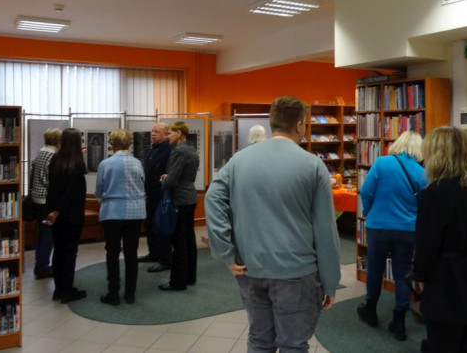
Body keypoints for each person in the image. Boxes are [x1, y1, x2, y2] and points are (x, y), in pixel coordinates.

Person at [205, 96, 341, 352]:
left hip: (250, 268)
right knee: (293, 344)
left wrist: (226, 252)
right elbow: (325, 229)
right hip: (297, 272)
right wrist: (330, 280)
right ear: (299, 125)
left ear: (272, 123)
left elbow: (213, 199)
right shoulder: (313, 165)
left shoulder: (239, 160)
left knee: (259, 340)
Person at [411, 126, 467, 353]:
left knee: (443, 342)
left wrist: (419, 275)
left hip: (445, 279)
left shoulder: (434, 193)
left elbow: (427, 242)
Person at [357, 130, 426, 341]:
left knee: (374, 269)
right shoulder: (422, 173)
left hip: (378, 226)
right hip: (407, 229)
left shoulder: (382, 163)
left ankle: (371, 311)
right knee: (402, 273)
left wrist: (370, 211)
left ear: (398, 143)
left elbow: (366, 191)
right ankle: (399, 322)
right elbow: (424, 203)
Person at [95, 129, 146, 305]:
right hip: (135, 212)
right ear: (129, 144)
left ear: (112, 143)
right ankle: (130, 294)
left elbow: (99, 190)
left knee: (112, 252)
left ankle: (113, 292)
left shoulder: (105, 164)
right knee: (131, 253)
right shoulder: (137, 163)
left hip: (112, 212)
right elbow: (142, 185)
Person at [45, 128, 88, 304]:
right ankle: (67, 290)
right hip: (72, 214)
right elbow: (71, 193)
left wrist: (53, 211)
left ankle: (59, 288)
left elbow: (52, 189)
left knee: (59, 250)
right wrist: (58, 210)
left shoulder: (55, 159)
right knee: (70, 253)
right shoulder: (77, 163)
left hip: (56, 215)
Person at [158, 121, 199, 291]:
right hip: (190, 197)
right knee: (189, 239)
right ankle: (190, 277)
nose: (168, 137)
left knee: (179, 241)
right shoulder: (192, 149)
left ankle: (177, 282)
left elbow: (172, 179)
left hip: (179, 200)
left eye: (170, 133)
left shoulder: (179, 151)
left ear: (179, 133)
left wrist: (164, 180)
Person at [138, 122, 173, 273]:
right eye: (152, 131)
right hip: (150, 194)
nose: (153, 134)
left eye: (157, 132)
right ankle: (153, 254)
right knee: (150, 225)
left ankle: (165, 259)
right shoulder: (153, 149)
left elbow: (168, 174)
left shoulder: (169, 151)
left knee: (160, 227)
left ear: (166, 134)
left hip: (162, 195)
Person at [29, 128, 61, 280]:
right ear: (57, 141)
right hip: (46, 201)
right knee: (48, 235)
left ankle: (40, 264)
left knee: (42, 234)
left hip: (36, 199)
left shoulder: (40, 152)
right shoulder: (54, 156)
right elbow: (52, 181)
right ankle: (42, 267)